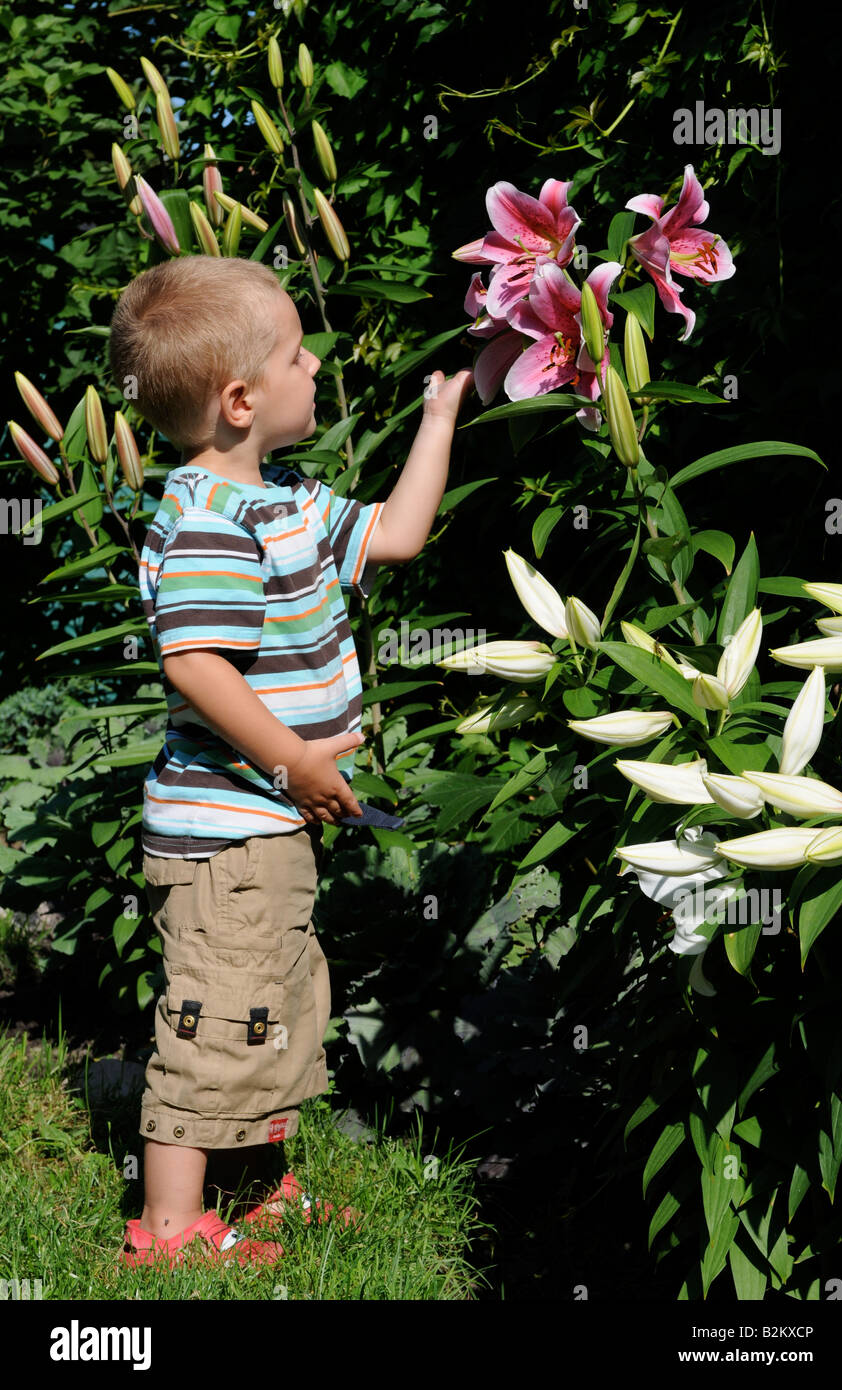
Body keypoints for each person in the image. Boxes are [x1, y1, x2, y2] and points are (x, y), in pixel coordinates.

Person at [107, 254, 474, 1266]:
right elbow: (195, 667)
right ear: (238, 399)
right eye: (296, 352)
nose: (314, 364)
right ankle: (173, 1231)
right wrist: (291, 762)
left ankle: (259, 1188)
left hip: (264, 830)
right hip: (228, 833)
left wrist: (439, 419)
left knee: (275, 1001)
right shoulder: (211, 525)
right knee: (215, 1016)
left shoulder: (288, 504)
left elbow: (397, 536)